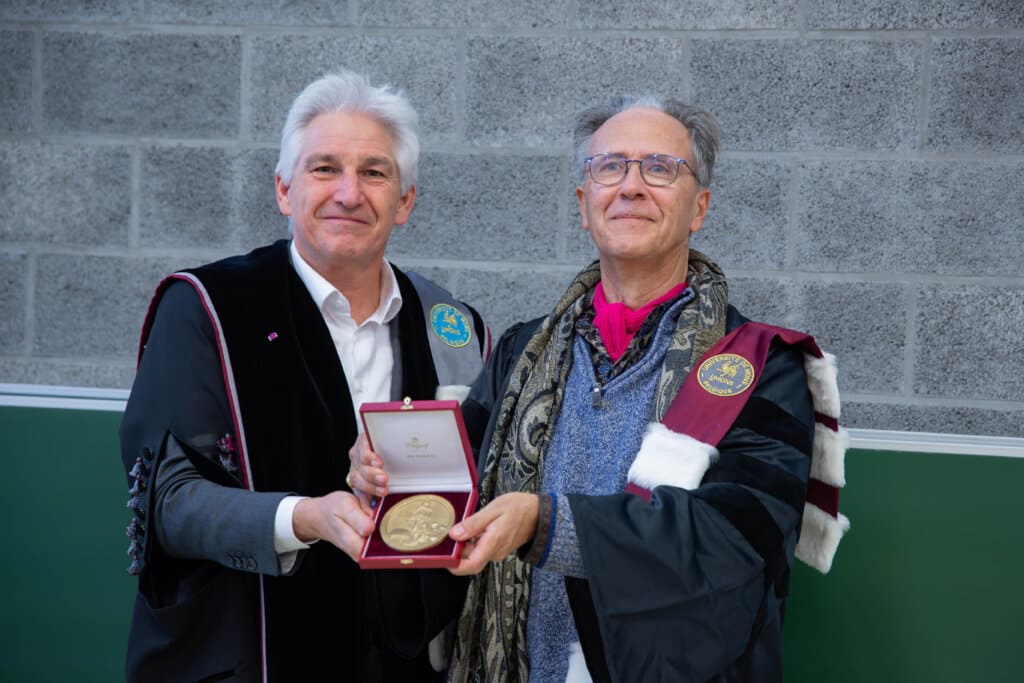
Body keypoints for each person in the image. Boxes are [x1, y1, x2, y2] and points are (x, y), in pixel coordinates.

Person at [349, 96, 848, 682]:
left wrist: (550, 524)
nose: (631, 186)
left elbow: (735, 546)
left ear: (699, 209)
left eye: (660, 167)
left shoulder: (761, 366)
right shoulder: (520, 351)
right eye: (609, 167)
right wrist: (385, 471)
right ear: (585, 207)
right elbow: (455, 486)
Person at [119, 69, 489, 682]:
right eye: (324, 169)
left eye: (374, 172)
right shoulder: (207, 305)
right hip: (250, 655)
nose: (349, 193)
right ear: (285, 191)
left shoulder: (450, 324)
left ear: (405, 201)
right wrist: (304, 518)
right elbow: (169, 505)